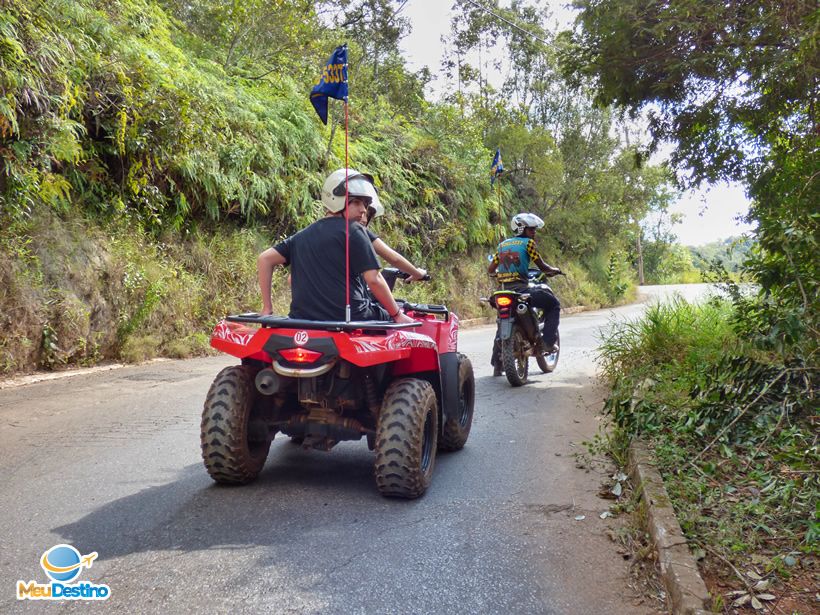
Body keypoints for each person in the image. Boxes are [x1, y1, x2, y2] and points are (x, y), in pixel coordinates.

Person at [257, 168, 413, 324]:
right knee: (402, 318)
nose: (363, 210)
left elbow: (265, 259)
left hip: (301, 319)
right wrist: (397, 315)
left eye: (365, 204)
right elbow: (374, 279)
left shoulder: (301, 236)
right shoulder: (354, 230)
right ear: (337, 200)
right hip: (352, 317)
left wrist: (267, 309)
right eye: (356, 202)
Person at [487, 212, 562, 374]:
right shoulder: (528, 244)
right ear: (521, 229)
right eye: (531, 230)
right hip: (522, 290)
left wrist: (499, 276)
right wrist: (554, 270)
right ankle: (548, 342)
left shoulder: (502, 246)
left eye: (534, 230)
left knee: (502, 320)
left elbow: (490, 270)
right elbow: (542, 266)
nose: (534, 233)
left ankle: (497, 363)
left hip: (503, 291)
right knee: (554, 304)